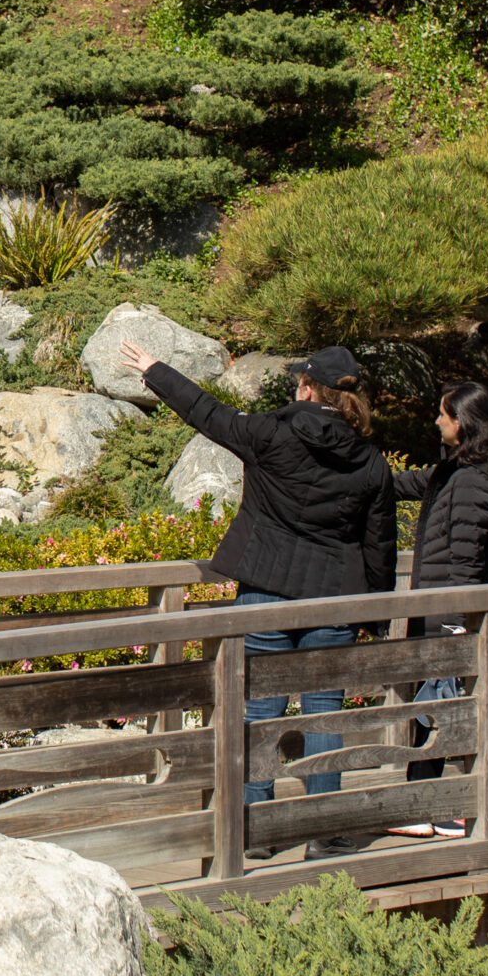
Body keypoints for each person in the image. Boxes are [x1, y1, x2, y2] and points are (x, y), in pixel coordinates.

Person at [116, 340, 394, 853]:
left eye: (298, 380)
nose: (294, 386)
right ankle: (324, 828)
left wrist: (155, 370)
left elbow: (208, 413)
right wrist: (374, 611)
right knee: (324, 714)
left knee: (259, 711)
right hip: (332, 599)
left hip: (265, 586)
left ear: (309, 388)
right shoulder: (372, 463)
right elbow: (379, 544)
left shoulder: (271, 434)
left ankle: (254, 830)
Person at [385, 380, 488, 840]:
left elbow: (465, 563)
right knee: (439, 708)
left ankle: (442, 809)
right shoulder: (457, 471)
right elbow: (406, 484)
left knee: (440, 709)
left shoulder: (473, 481)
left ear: (462, 422)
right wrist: (356, 476)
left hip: (450, 616)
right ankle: (434, 808)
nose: (436, 421)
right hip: (442, 612)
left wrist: (453, 627)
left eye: (442, 415)